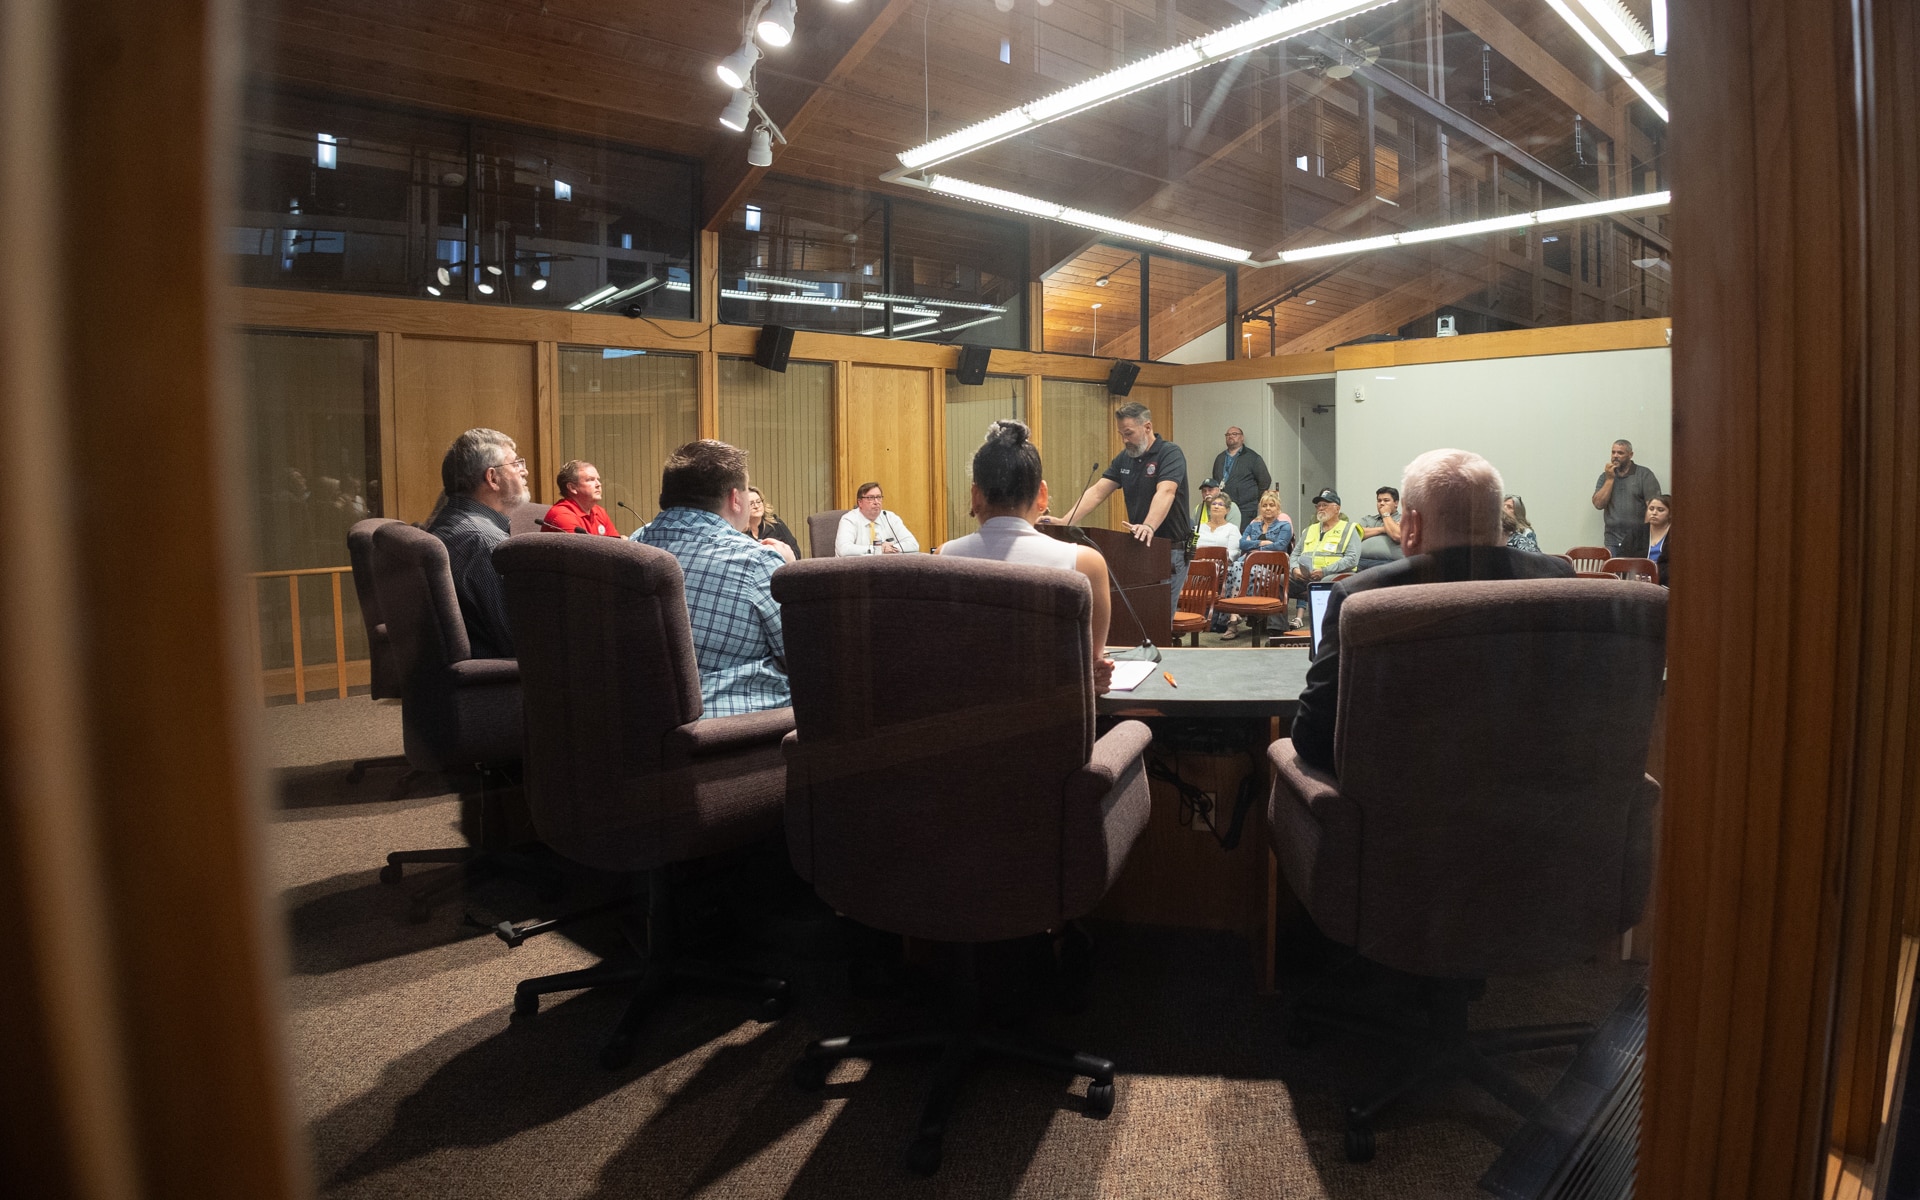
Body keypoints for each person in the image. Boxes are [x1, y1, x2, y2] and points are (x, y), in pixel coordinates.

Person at [1291, 449, 1577, 774]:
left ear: (1411, 525)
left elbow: (1313, 738)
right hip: (1533, 786)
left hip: (1398, 797)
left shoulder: (1359, 596)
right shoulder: (1557, 578)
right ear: (1498, 518)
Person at [939, 419, 1115, 692]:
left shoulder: (945, 557)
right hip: (1054, 717)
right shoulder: (1085, 564)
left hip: (966, 716)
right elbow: (1090, 668)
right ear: (1042, 495)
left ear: (976, 496)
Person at [631, 440, 796, 717]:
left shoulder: (633, 547)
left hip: (641, 719)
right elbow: (804, 655)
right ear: (735, 499)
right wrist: (790, 574)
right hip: (730, 729)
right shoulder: (756, 561)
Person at [1043, 399, 1191, 603]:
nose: (1124, 440)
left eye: (1128, 433)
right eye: (1121, 434)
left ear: (1147, 427)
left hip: (1170, 550)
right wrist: (1065, 522)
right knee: (1140, 611)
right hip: (1140, 547)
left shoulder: (1170, 453)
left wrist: (1149, 525)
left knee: (1160, 615)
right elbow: (1097, 492)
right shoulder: (1125, 458)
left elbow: (1166, 491)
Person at [423, 427, 528, 659]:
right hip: (501, 670)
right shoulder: (485, 543)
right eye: (515, 464)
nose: (525, 471)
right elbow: (521, 643)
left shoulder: (448, 519)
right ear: (492, 478)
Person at [1288, 489, 1360, 626]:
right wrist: (1294, 569)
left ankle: (1323, 628)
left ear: (1337, 508)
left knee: (1325, 583)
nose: (1320, 508)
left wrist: (1325, 571)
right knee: (1279, 580)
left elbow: (1352, 559)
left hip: (1334, 575)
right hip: (1306, 576)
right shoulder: (1310, 529)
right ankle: (1276, 628)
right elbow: (1295, 554)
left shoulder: (1349, 529)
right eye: (1318, 506)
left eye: (1325, 505)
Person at [1592, 438, 1662, 556]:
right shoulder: (1605, 476)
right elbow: (1598, 504)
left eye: (1620, 453)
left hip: (1638, 539)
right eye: (1613, 452)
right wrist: (1610, 479)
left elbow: (1653, 507)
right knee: (1613, 568)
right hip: (1612, 540)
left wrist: (1645, 534)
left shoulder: (1644, 474)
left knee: (1635, 568)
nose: (1615, 456)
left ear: (1630, 455)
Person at [1194, 494, 1244, 637]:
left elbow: (1233, 552)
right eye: (1214, 504)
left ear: (1227, 510)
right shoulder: (1198, 528)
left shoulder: (1231, 529)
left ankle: (1230, 617)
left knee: (1236, 569)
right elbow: (1193, 550)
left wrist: (1217, 561)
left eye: (1220, 504)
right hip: (1200, 568)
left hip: (1222, 568)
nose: (1216, 506)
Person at [835, 481, 920, 555]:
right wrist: (877, 549)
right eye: (870, 498)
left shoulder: (890, 517)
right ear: (860, 502)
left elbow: (913, 545)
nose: (876, 502)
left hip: (887, 566)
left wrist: (891, 548)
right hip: (856, 567)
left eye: (879, 497)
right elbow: (843, 549)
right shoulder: (849, 519)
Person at [1211, 426, 1272, 528]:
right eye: (1228, 435)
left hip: (1245, 509)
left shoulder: (1253, 457)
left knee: (1242, 536)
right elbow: (1215, 481)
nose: (1230, 436)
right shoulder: (1220, 458)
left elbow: (1265, 481)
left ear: (1242, 438)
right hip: (1223, 507)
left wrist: (1253, 499)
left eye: (1234, 434)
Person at [541, 460, 620, 536]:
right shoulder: (562, 515)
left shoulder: (599, 512)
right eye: (590, 480)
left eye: (597, 479)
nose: (598, 484)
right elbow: (582, 545)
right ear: (572, 488)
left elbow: (615, 542)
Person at [1355, 485, 1405, 570]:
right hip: (1360, 561)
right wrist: (1383, 529)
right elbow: (1356, 534)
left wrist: (1386, 514)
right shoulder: (1368, 519)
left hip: (1389, 562)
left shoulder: (1403, 519)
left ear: (1396, 503)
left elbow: (1397, 535)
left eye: (1386, 500)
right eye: (1379, 500)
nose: (1381, 503)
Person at [746, 486, 800, 558]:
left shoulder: (775, 522)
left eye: (758, 502)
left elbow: (795, 551)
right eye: (751, 504)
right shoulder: (739, 530)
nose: (756, 506)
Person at [1188, 478, 1224, 550]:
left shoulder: (1229, 507)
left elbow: (1231, 533)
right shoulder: (1198, 509)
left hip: (1221, 547)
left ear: (1218, 491)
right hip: (1201, 548)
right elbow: (1193, 532)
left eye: (1210, 490)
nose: (1207, 493)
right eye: (1204, 491)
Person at [1646, 493, 1672, 586]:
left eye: (1660, 510)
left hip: (1665, 584)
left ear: (1670, 514)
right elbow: (1624, 559)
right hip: (1637, 581)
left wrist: (1654, 577)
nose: (1654, 513)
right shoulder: (1636, 533)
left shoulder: (1678, 534)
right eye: (1651, 509)